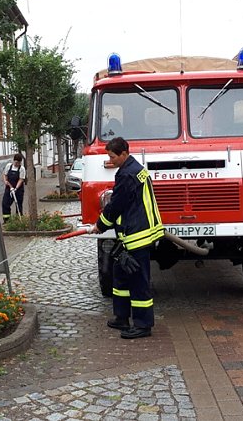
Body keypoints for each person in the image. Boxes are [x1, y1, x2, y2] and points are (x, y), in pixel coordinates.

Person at [90, 137, 164, 339]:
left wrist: (100, 224)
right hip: (133, 232)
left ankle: (142, 325)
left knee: (139, 281)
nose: (110, 160)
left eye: (113, 156)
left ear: (124, 154)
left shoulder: (127, 175)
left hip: (137, 235)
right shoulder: (135, 169)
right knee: (120, 274)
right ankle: (121, 316)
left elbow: (116, 205)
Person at [1, 153, 26, 221]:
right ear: (13, 160)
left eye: (18, 163)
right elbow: (5, 175)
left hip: (18, 189)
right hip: (9, 188)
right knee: (5, 203)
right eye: (16, 162)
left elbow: (21, 180)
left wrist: (16, 188)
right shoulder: (9, 166)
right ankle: (6, 220)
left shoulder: (22, 169)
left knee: (18, 204)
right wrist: (5, 181)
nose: (17, 164)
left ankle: (19, 219)